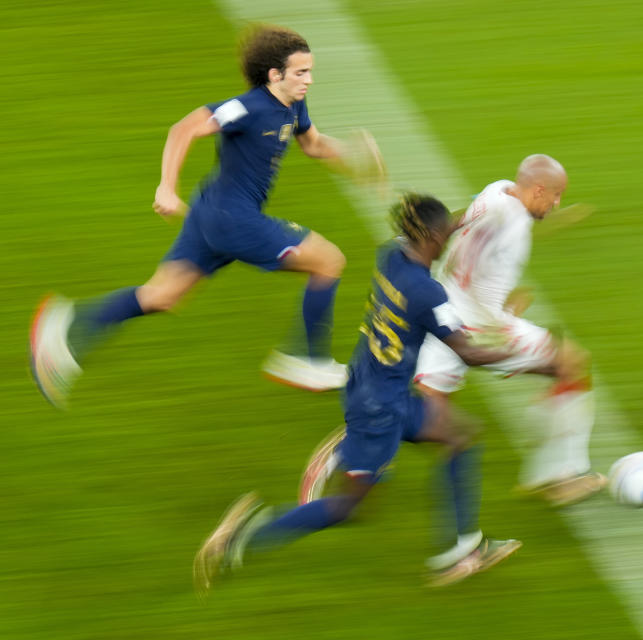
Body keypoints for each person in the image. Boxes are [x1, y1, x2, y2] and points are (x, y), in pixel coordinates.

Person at [29, 24, 385, 409]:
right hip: (232, 220)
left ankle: (63, 327)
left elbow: (313, 145)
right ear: (274, 75)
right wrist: (166, 186)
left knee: (162, 295)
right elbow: (183, 129)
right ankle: (306, 358)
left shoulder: (293, 105)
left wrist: (353, 154)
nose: (309, 80)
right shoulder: (247, 107)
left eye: (310, 71)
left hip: (210, 213)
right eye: (301, 72)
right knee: (329, 261)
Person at [194, 194, 522, 596]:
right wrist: (512, 352)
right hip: (379, 409)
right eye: (445, 235)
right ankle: (241, 537)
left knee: (459, 437)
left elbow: (435, 228)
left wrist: (464, 218)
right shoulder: (427, 293)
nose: (448, 240)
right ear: (433, 237)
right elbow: (467, 353)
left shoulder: (392, 256)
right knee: (349, 507)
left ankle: (461, 550)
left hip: (368, 383)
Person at [413, 154, 605, 507]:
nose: (558, 204)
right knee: (570, 363)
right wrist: (507, 315)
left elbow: (458, 225)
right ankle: (558, 477)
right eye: (556, 196)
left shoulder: (495, 192)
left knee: (423, 414)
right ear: (539, 189)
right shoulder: (513, 228)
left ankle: (355, 449)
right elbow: (487, 299)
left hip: (439, 314)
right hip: (478, 328)